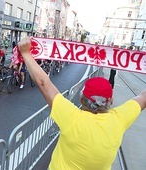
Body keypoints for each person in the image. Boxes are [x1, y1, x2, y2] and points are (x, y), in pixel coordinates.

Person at [17, 36, 146, 170]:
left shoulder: (72, 118)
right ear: (111, 101)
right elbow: (143, 97)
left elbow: (43, 83)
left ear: (81, 99)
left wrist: (25, 53)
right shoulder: (119, 119)